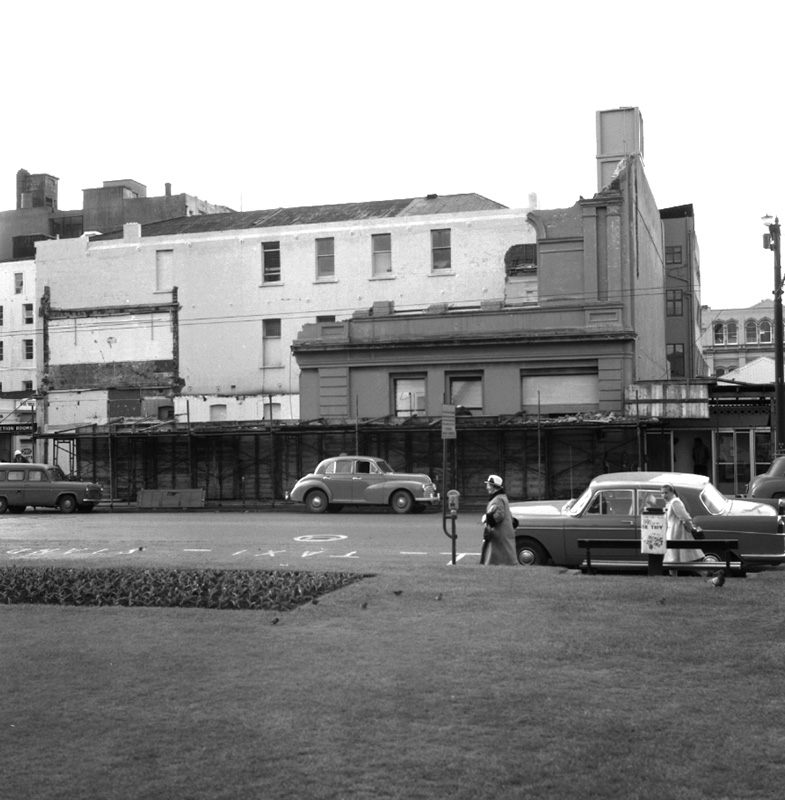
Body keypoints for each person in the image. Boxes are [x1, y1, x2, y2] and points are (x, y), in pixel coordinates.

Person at [661, 483, 704, 576]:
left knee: (674, 557)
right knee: (674, 557)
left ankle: (704, 573)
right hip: (673, 532)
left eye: (666, 493)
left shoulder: (675, 502)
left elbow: (685, 517)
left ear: (672, 492)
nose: (663, 495)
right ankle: (674, 577)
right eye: (662, 493)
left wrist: (691, 529)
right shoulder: (670, 502)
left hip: (677, 533)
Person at [480, 474, 518, 566]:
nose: (487, 487)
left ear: (494, 487)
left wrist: (487, 518)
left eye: (489, 485)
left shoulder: (498, 499)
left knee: (499, 559)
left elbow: (499, 515)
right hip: (503, 533)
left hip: (499, 533)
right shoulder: (501, 497)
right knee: (503, 556)